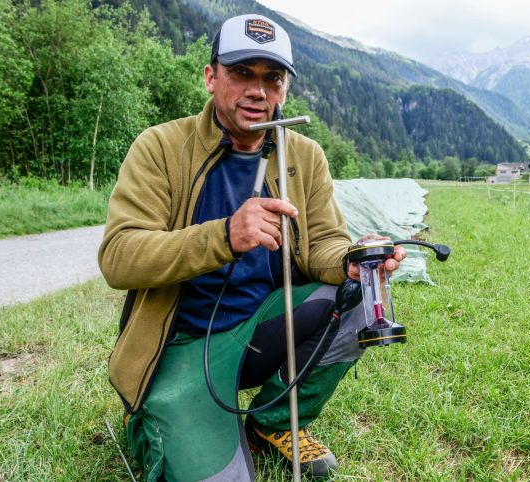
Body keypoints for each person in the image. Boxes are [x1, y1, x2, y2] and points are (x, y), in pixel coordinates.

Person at [98, 14, 405, 481]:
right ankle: (153, 417)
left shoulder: (304, 155)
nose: (257, 91)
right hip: (181, 345)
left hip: (260, 328)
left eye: (272, 78)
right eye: (242, 72)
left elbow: (324, 242)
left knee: (361, 301)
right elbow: (119, 257)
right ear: (211, 76)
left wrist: (352, 262)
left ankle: (270, 423)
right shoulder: (160, 147)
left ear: (284, 89)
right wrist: (223, 236)